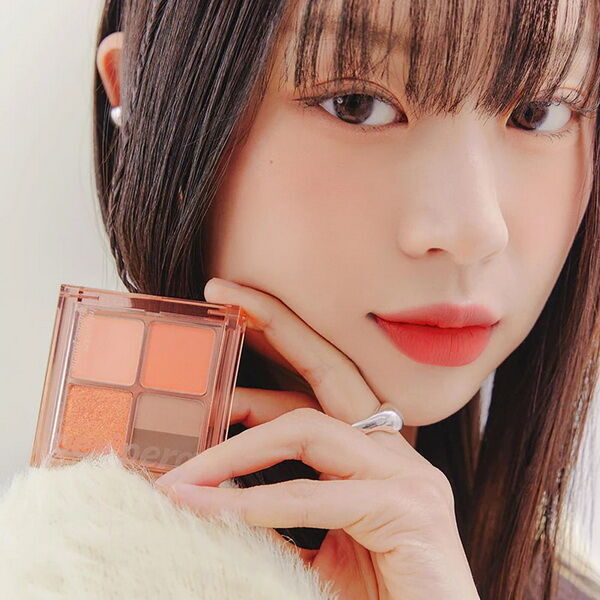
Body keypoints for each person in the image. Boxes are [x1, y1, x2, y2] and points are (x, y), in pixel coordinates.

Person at [94, 0, 600, 598]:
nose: (474, 231)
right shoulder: (65, 566)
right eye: (357, 105)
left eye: (537, 113)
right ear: (145, 100)